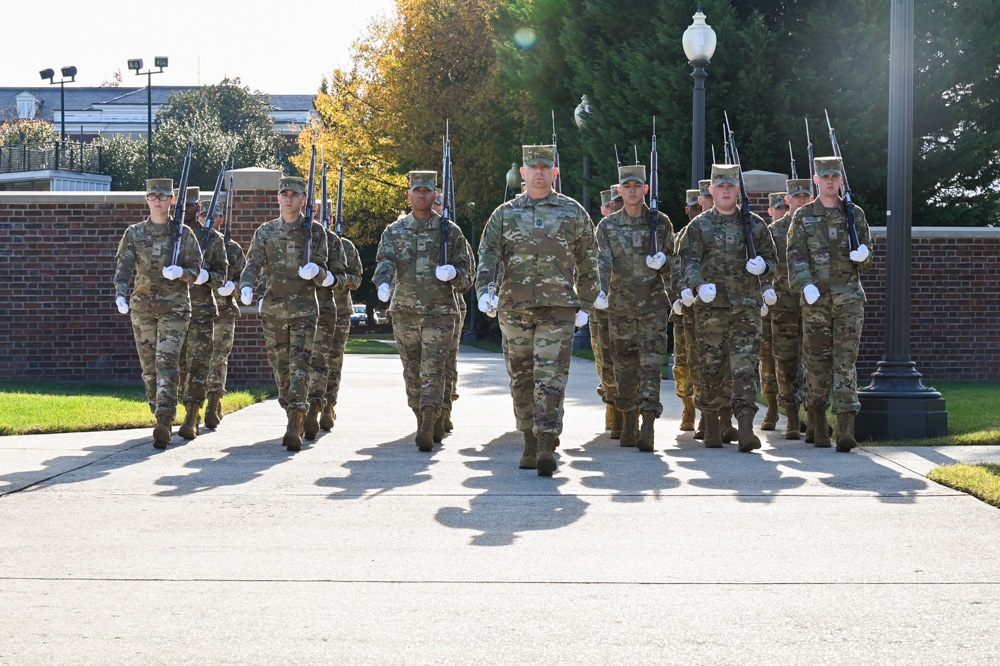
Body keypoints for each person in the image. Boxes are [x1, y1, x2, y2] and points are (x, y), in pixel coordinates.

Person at [476, 144, 600, 475]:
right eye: (534, 167)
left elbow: (590, 258)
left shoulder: (573, 212)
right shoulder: (504, 214)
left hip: (557, 308)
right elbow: (487, 254)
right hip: (514, 307)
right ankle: (528, 439)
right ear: (524, 173)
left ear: (555, 172)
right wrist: (484, 291)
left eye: (546, 166)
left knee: (551, 377)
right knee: (521, 376)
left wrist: (586, 302)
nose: (540, 172)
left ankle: (545, 442)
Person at [679, 164, 777, 452]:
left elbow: (773, 258)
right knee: (711, 367)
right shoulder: (699, 226)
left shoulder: (755, 224)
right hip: (711, 308)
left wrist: (764, 267)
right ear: (711, 190)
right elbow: (687, 261)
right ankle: (710, 423)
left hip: (745, 307)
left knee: (746, 367)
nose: (725, 191)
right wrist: (698, 285)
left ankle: (746, 427)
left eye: (730, 186)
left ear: (737, 190)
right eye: (719, 186)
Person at [373, 171, 472, 451]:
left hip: (440, 312)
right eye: (417, 190)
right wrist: (382, 282)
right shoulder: (394, 230)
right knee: (412, 371)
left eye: (426, 191)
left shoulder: (449, 231)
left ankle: (429, 421)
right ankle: (422, 416)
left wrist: (453, 272)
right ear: (409, 194)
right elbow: (385, 260)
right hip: (404, 311)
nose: (421, 195)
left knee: (434, 369)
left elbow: (466, 276)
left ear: (434, 195)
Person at [786, 156, 873, 451]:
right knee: (816, 362)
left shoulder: (854, 214)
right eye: (825, 177)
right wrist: (804, 283)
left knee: (845, 363)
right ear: (816, 180)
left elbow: (868, 255)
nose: (830, 182)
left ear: (841, 180)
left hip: (849, 299)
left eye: (835, 177)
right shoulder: (803, 216)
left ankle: (846, 426)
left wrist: (864, 256)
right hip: (816, 301)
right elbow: (795, 255)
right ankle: (818, 421)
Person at [238, 176, 329, 452]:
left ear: (303, 199)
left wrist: (317, 272)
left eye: (294, 194)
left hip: (304, 310)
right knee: (281, 370)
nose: (289, 198)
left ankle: (295, 423)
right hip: (274, 310)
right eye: (284, 194)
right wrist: (245, 286)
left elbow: (326, 271)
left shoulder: (314, 232)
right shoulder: (265, 232)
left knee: (300, 366)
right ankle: (294, 409)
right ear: (278, 198)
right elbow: (252, 263)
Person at [113, 178, 203, 448]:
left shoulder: (183, 233)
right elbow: (124, 266)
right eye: (153, 196)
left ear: (172, 200)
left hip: (175, 308)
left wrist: (182, 273)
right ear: (146, 199)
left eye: (163, 197)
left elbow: (197, 270)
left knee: (167, 362)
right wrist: (120, 292)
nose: (158, 201)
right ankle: (157, 411)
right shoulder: (134, 232)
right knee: (149, 368)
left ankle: (165, 418)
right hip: (142, 308)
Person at [594, 164, 674, 451]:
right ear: (619, 190)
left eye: (636, 186)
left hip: (652, 306)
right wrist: (600, 291)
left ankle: (649, 424)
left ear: (645, 189)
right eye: (626, 186)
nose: (631, 190)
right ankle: (629, 420)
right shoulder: (607, 226)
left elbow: (674, 264)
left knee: (651, 366)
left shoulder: (660, 223)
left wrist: (664, 262)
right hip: (620, 307)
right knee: (625, 366)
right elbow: (601, 261)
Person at [177, 188, 228, 440]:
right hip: (171, 311)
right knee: (177, 366)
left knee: (198, 364)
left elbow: (222, 275)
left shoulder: (212, 238)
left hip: (201, 311)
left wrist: (205, 277)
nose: (184, 209)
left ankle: (192, 413)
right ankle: (181, 408)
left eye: (190, 205)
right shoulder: (166, 235)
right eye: (180, 204)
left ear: (198, 207)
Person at [768, 178, 813, 439]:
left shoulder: (817, 226)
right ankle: (792, 416)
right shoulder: (774, 231)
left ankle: (812, 415)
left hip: (812, 304)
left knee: (813, 360)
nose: (801, 201)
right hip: (783, 304)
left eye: (806, 196)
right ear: (788, 200)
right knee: (785, 361)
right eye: (796, 197)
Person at [303, 200, 348, 440]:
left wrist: (329, 278)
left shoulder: (340, 244)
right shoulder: (299, 237)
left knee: (329, 360)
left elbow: (354, 277)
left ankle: (323, 405)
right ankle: (304, 407)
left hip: (333, 309)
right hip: (300, 308)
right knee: (302, 360)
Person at [318, 219, 363, 432]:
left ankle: (328, 405)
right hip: (312, 309)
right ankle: (311, 405)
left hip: (340, 310)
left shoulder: (346, 246)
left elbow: (356, 279)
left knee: (333, 360)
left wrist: (336, 280)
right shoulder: (308, 244)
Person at [204, 205, 247, 430]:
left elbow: (245, 276)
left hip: (223, 311)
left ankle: (213, 400)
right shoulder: (192, 244)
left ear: (221, 218)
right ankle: (194, 402)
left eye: (212, 216)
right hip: (197, 311)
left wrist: (234, 287)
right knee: (195, 359)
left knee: (218, 357)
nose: (208, 220)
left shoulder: (232, 248)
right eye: (203, 215)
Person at [669, 188, 703, 432]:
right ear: (687, 210)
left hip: (713, 309)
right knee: (683, 363)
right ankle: (687, 404)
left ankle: (709, 413)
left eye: (700, 206)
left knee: (709, 362)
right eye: (693, 207)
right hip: (686, 309)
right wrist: (676, 298)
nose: (697, 211)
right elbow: (671, 269)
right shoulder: (680, 236)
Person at [591, 188, 621, 437]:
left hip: (627, 304)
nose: (617, 208)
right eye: (613, 205)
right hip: (602, 307)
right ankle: (611, 404)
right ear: (604, 209)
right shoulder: (599, 232)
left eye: (619, 203)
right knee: (605, 360)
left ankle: (626, 409)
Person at [758, 192, 788, 431]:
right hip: (771, 304)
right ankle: (772, 407)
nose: (784, 212)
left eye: (786, 207)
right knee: (768, 358)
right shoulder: (767, 235)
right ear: (770, 211)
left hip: (795, 304)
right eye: (779, 208)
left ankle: (798, 412)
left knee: (795, 360)